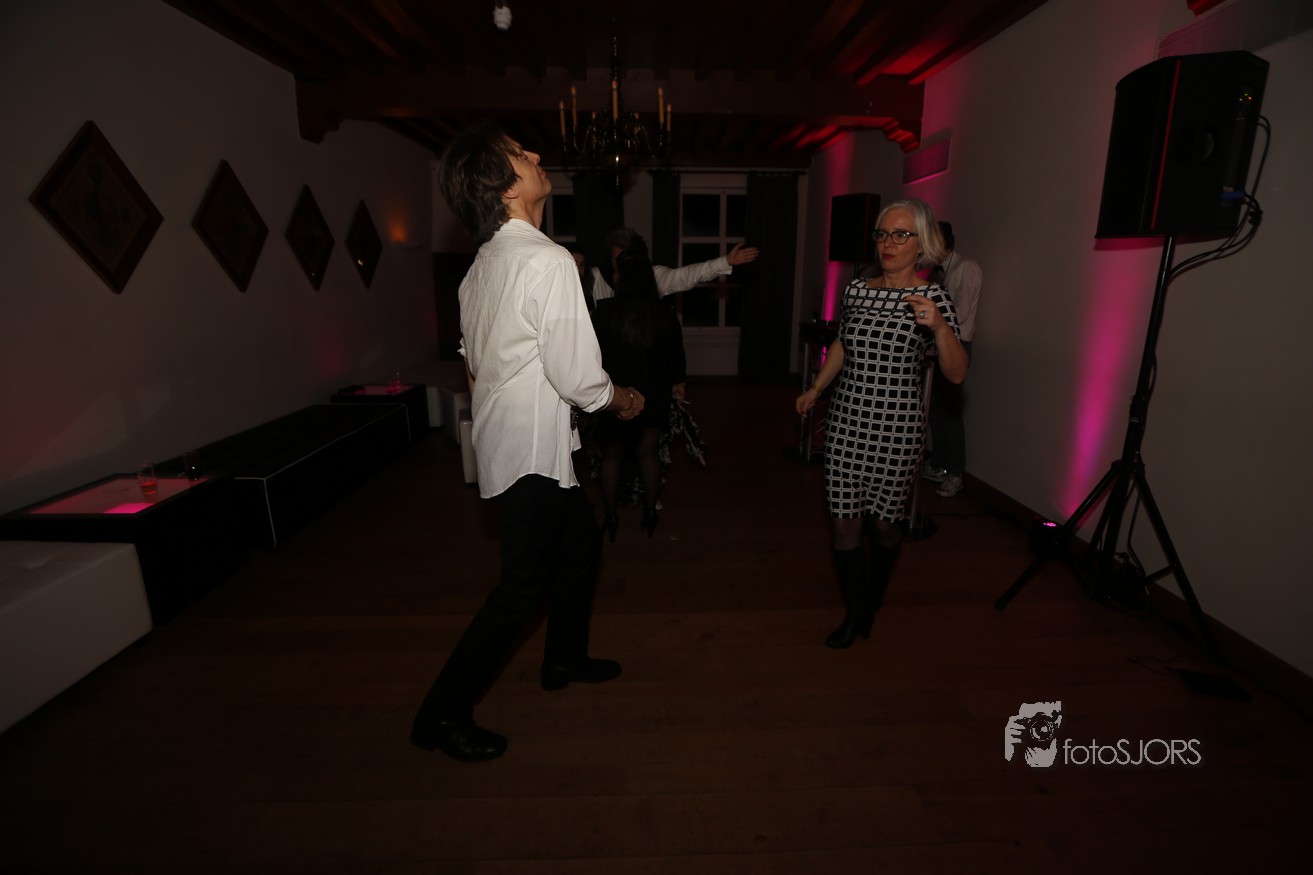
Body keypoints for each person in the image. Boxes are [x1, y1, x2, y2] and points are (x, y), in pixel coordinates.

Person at [412, 120, 646, 762]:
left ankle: (563, 658)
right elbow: (579, 379)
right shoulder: (545, 260)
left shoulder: (479, 268)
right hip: (530, 456)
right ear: (505, 186)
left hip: (517, 448)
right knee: (518, 591)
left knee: (580, 549)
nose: (537, 154)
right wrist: (624, 400)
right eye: (520, 154)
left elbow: (473, 368)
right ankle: (440, 716)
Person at [795, 198, 967, 649]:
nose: (889, 243)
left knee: (885, 526)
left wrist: (940, 329)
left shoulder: (933, 298)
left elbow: (956, 374)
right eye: (883, 234)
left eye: (901, 234)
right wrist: (817, 388)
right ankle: (857, 611)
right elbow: (843, 344)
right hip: (846, 423)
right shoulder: (857, 290)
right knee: (844, 523)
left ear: (921, 243)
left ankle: (874, 594)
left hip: (896, 430)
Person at [590, 236, 687, 540]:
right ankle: (650, 512)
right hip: (654, 394)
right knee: (648, 452)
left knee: (612, 454)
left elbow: (592, 357)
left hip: (614, 394)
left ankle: (610, 516)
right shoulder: (664, 313)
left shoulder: (603, 313)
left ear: (620, 276)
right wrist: (678, 383)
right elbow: (676, 357)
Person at [922, 221, 981, 498]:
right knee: (936, 410)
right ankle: (940, 464)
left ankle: (956, 472)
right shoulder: (941, 272)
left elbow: (961, 313)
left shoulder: (966, 267)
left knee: (951, 411)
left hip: (958, 346)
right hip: (941, 346)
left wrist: (932, 316)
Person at [587, 227, 759, 304]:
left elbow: (687, 276)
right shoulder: (595, 276)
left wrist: (725, 261)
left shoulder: (653, 277)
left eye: (626, 258)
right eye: (616, 259)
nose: (621, 264)